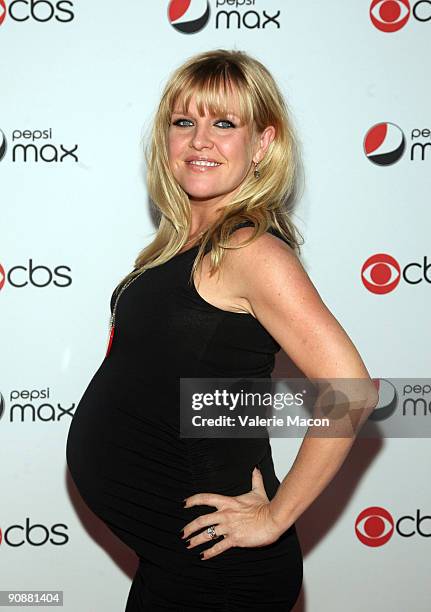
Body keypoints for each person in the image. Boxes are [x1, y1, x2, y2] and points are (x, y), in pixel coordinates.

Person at [66, 49, 378, 611]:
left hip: (220, 575)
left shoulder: (249, 249)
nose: (200, 140)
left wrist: (275, 517)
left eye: (224, 123)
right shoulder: (178, 247)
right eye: (184, 122)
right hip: (177, 560)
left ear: (262, 144)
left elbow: (351, 390)